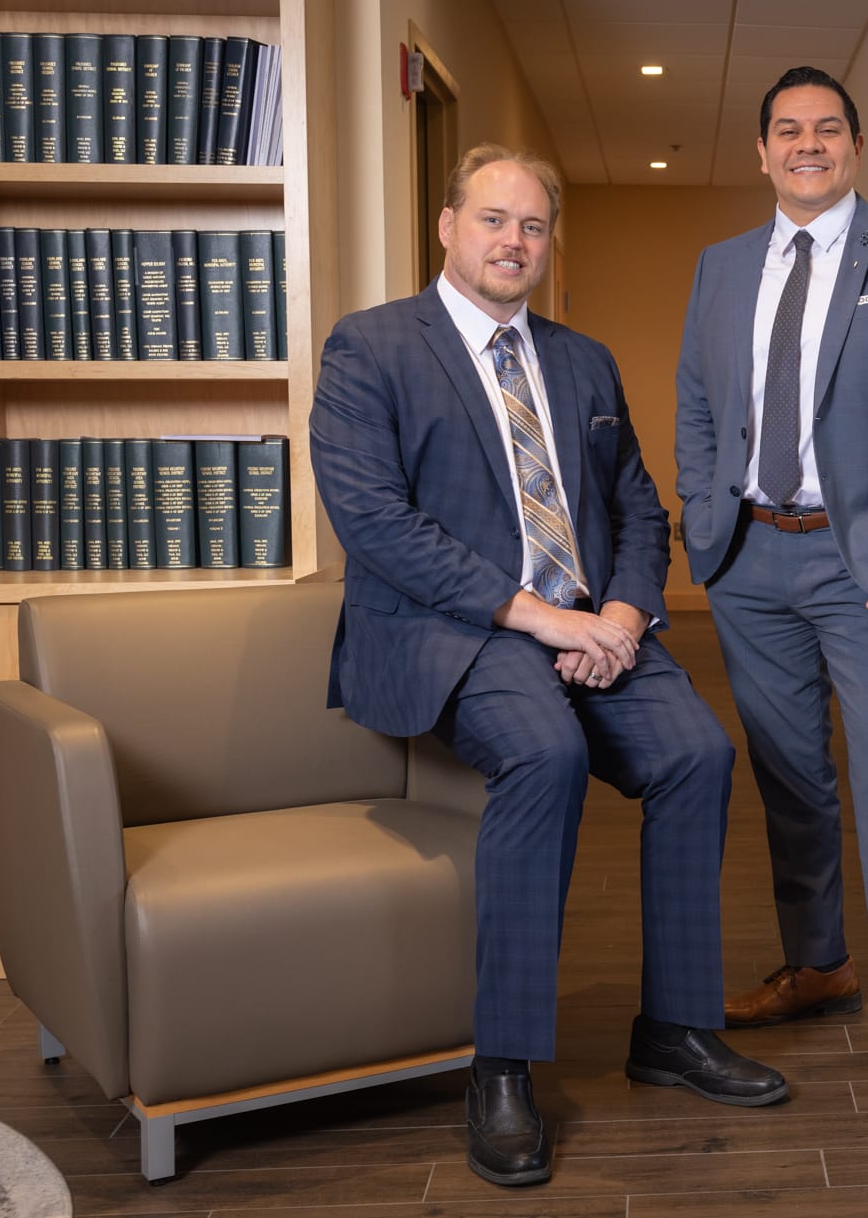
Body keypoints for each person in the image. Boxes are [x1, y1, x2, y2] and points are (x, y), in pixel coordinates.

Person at [310, 143, 786, 1189]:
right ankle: (505, 1064)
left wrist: (619, 609)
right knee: (544, 754)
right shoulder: (370, 349)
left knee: (700, 754)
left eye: (531, 225)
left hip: (587, 617)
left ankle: (675, 1028)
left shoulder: (581, 360)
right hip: (461, 630)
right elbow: (376, 525)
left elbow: (633, 503)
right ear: (447, 226)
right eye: (492, 220)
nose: (512, 242)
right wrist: (539, 621)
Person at [674, 66, 868, 1097]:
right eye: (787, 130)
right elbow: (697, 404)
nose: (808, 144)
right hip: (748, 557)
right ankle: (821, 965)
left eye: (828, 129)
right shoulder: (719, 268)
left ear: (857, 147)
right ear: (761, 151)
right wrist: (702, 515)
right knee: (791, 778)